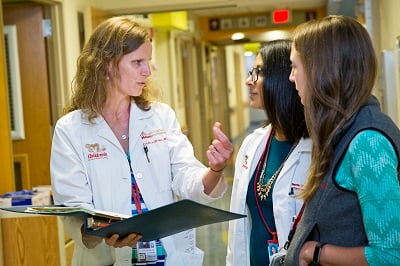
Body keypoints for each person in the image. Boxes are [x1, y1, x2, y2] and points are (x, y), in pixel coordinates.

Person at [50, 16, 234, 266]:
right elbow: (74, 208)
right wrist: (100, 232)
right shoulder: (71, 130)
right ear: (106, 65)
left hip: (169, 257)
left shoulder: (159, 116)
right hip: (108, 258)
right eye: (137, 62)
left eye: (147, 62)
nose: (147, 71)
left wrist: (215, 169)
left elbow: (185, 176)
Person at [286, 15, 400, 266]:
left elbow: (391, 255)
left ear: (321, 69)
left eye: (295, 66)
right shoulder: (339, 129)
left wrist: (314, 252)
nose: (291, 77)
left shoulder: (368, 143)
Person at [226, 39, 311, 266]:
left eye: (259, 72)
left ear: (285, 78)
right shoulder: (253, 144)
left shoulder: (316, 150)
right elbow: (238, 231)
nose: (248, 81)